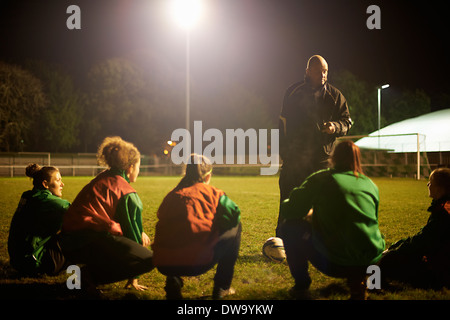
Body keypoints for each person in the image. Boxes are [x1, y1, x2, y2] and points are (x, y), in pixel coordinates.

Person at [278, 140, 385, 300]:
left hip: (336, 262)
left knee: (289, 228)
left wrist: (310, 215)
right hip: (371, 262)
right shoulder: (370, 184)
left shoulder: (322, 179)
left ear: (332, 157)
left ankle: (301, 285)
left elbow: (290, 210)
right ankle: (362, 283)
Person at [61, 136, 153, 293]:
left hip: (67, 244)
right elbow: (133, 238)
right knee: (148, 259)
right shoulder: (126, 192)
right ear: (130, 168)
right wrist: (133, 276)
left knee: (116, 241)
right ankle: (87, 276)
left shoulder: (103, 177)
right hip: (87, 241)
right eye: (139, 166)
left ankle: (79, 274)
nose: (139, 170)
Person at [277, 55, 352, 235]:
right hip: (295, 159)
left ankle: (319, 242)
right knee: (288, 200)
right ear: (308, 71)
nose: (323, 75)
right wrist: (284, 152)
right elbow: (282, 123)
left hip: (321, 160)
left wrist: (335, 127)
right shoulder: (292, 92)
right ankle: (282, 241)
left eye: (325, 71)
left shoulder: (336, 96)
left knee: (321, 202)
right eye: (319, 71)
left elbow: (347, 121)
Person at [152, 154, 242, 299]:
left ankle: (172, 281)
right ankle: (222, 286)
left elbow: (161, 217)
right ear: (207, 177)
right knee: (237, 225)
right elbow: (234, 215)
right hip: (197, 262)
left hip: (163, 263)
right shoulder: (213, 193)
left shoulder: (171, 195)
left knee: (172, 228)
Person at [379, 168, 450, 289]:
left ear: (439, 188)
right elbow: (425, 235)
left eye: (430, 182)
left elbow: (422, 242)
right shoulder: (443, 206)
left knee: (384, 261)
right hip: (441, 265)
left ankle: (372, 287)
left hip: (439, 273)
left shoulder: (443, 211)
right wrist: (397, 245)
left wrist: (393, 252)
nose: (427, 184)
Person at [8, 164, 70, 276]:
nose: (62, 184)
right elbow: (78, 210)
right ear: (45, 184)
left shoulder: (27, 195)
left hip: (17, 260)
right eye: (58, 180)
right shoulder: (46, 201)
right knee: (78, 235)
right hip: (32, 262)